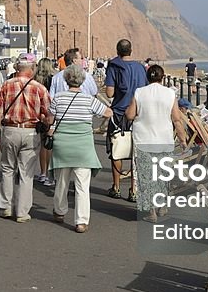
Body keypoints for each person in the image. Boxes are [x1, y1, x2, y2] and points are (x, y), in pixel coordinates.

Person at [48, 64, 112, 233]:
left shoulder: (59, 98)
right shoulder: (88, 99)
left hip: (63, 144)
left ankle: (60, 212)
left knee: (61, 181)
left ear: (66, 79)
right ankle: (81, 221)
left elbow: (50, 119)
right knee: (82, 185)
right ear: (82, 81)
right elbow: (107, 113)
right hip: (83, 146)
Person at [0, 59, 51, 223]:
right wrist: (45, 123)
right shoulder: (39, 88)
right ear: (31, 69)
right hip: (30, 131)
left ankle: (5, 207)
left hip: (10, 129)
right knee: (26, 173)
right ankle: (22, 212)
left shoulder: (6, 85)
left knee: (8, 168)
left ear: (17, 69)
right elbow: (48, 115)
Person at [126, 65, 187, 221]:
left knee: (146, 175)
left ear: (148, 77)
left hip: (143, 140)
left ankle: (151, 211)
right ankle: (163, 206)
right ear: (162, 77)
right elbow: (176, 119)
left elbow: (130, 115)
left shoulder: (139, 92)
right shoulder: (170, 93)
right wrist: (183, 139)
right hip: (164, 140)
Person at [105, 39, 148, 200]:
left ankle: (116, 187)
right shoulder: (140, 68)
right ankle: (133, 190)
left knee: (117, 150)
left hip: (118, 113)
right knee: (135, 152)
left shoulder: (114, 66)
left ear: (118, 50)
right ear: (131, 50)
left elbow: (109, 93)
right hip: (137, 114)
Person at [34, 58, 58, 187]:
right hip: (50, 112)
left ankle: (43, 173)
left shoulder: (35, 80)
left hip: (38, 113)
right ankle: (50, 173)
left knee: (43, 143)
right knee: (51, 144)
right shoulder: (53, 79)